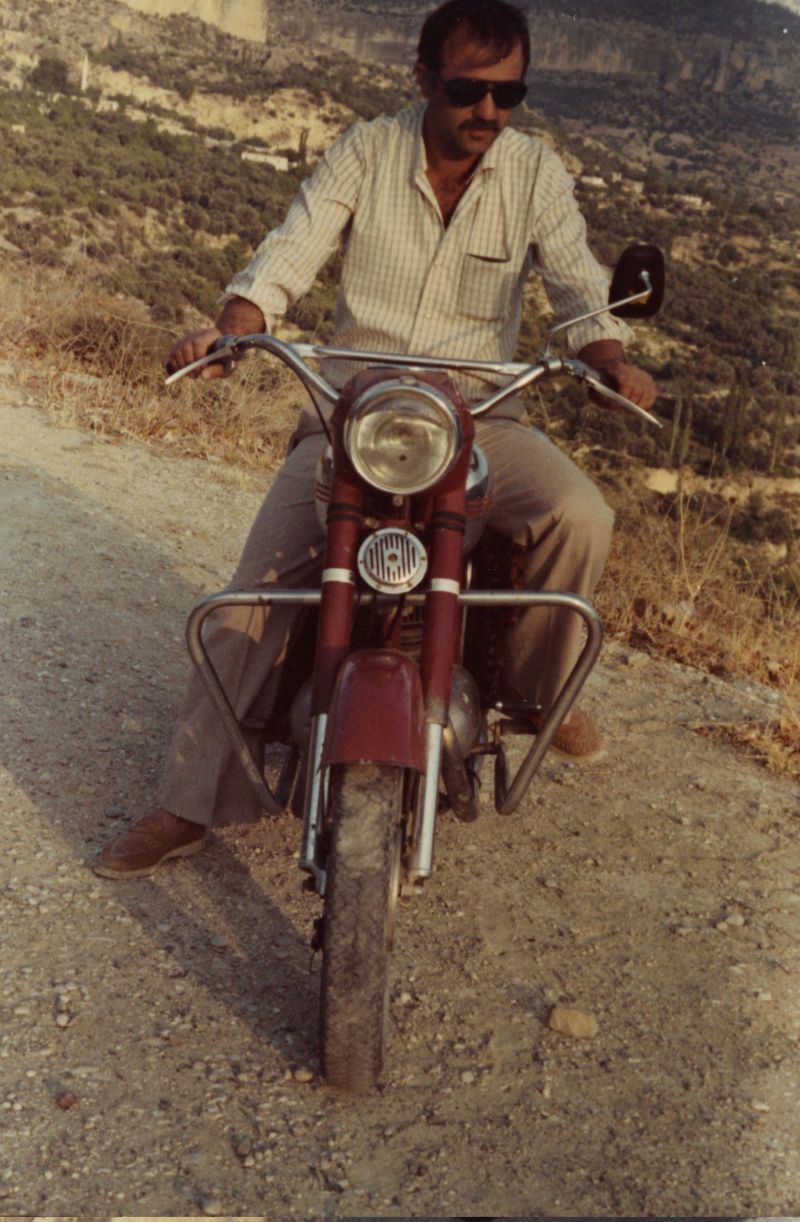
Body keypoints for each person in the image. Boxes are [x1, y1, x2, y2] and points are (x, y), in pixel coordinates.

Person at [94, 0, 657, 880]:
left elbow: (581, 286)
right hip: (354, 417)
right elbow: (287, 254)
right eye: (467, 90)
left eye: (509, 95)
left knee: (581, 515)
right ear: (424, 77)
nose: (488, 112)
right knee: (251, 598)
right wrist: (232, 332)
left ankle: (537, 694)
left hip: (479, 418)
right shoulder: (366, 150)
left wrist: (610, 359)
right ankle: (187, 803)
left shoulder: (535, 172)